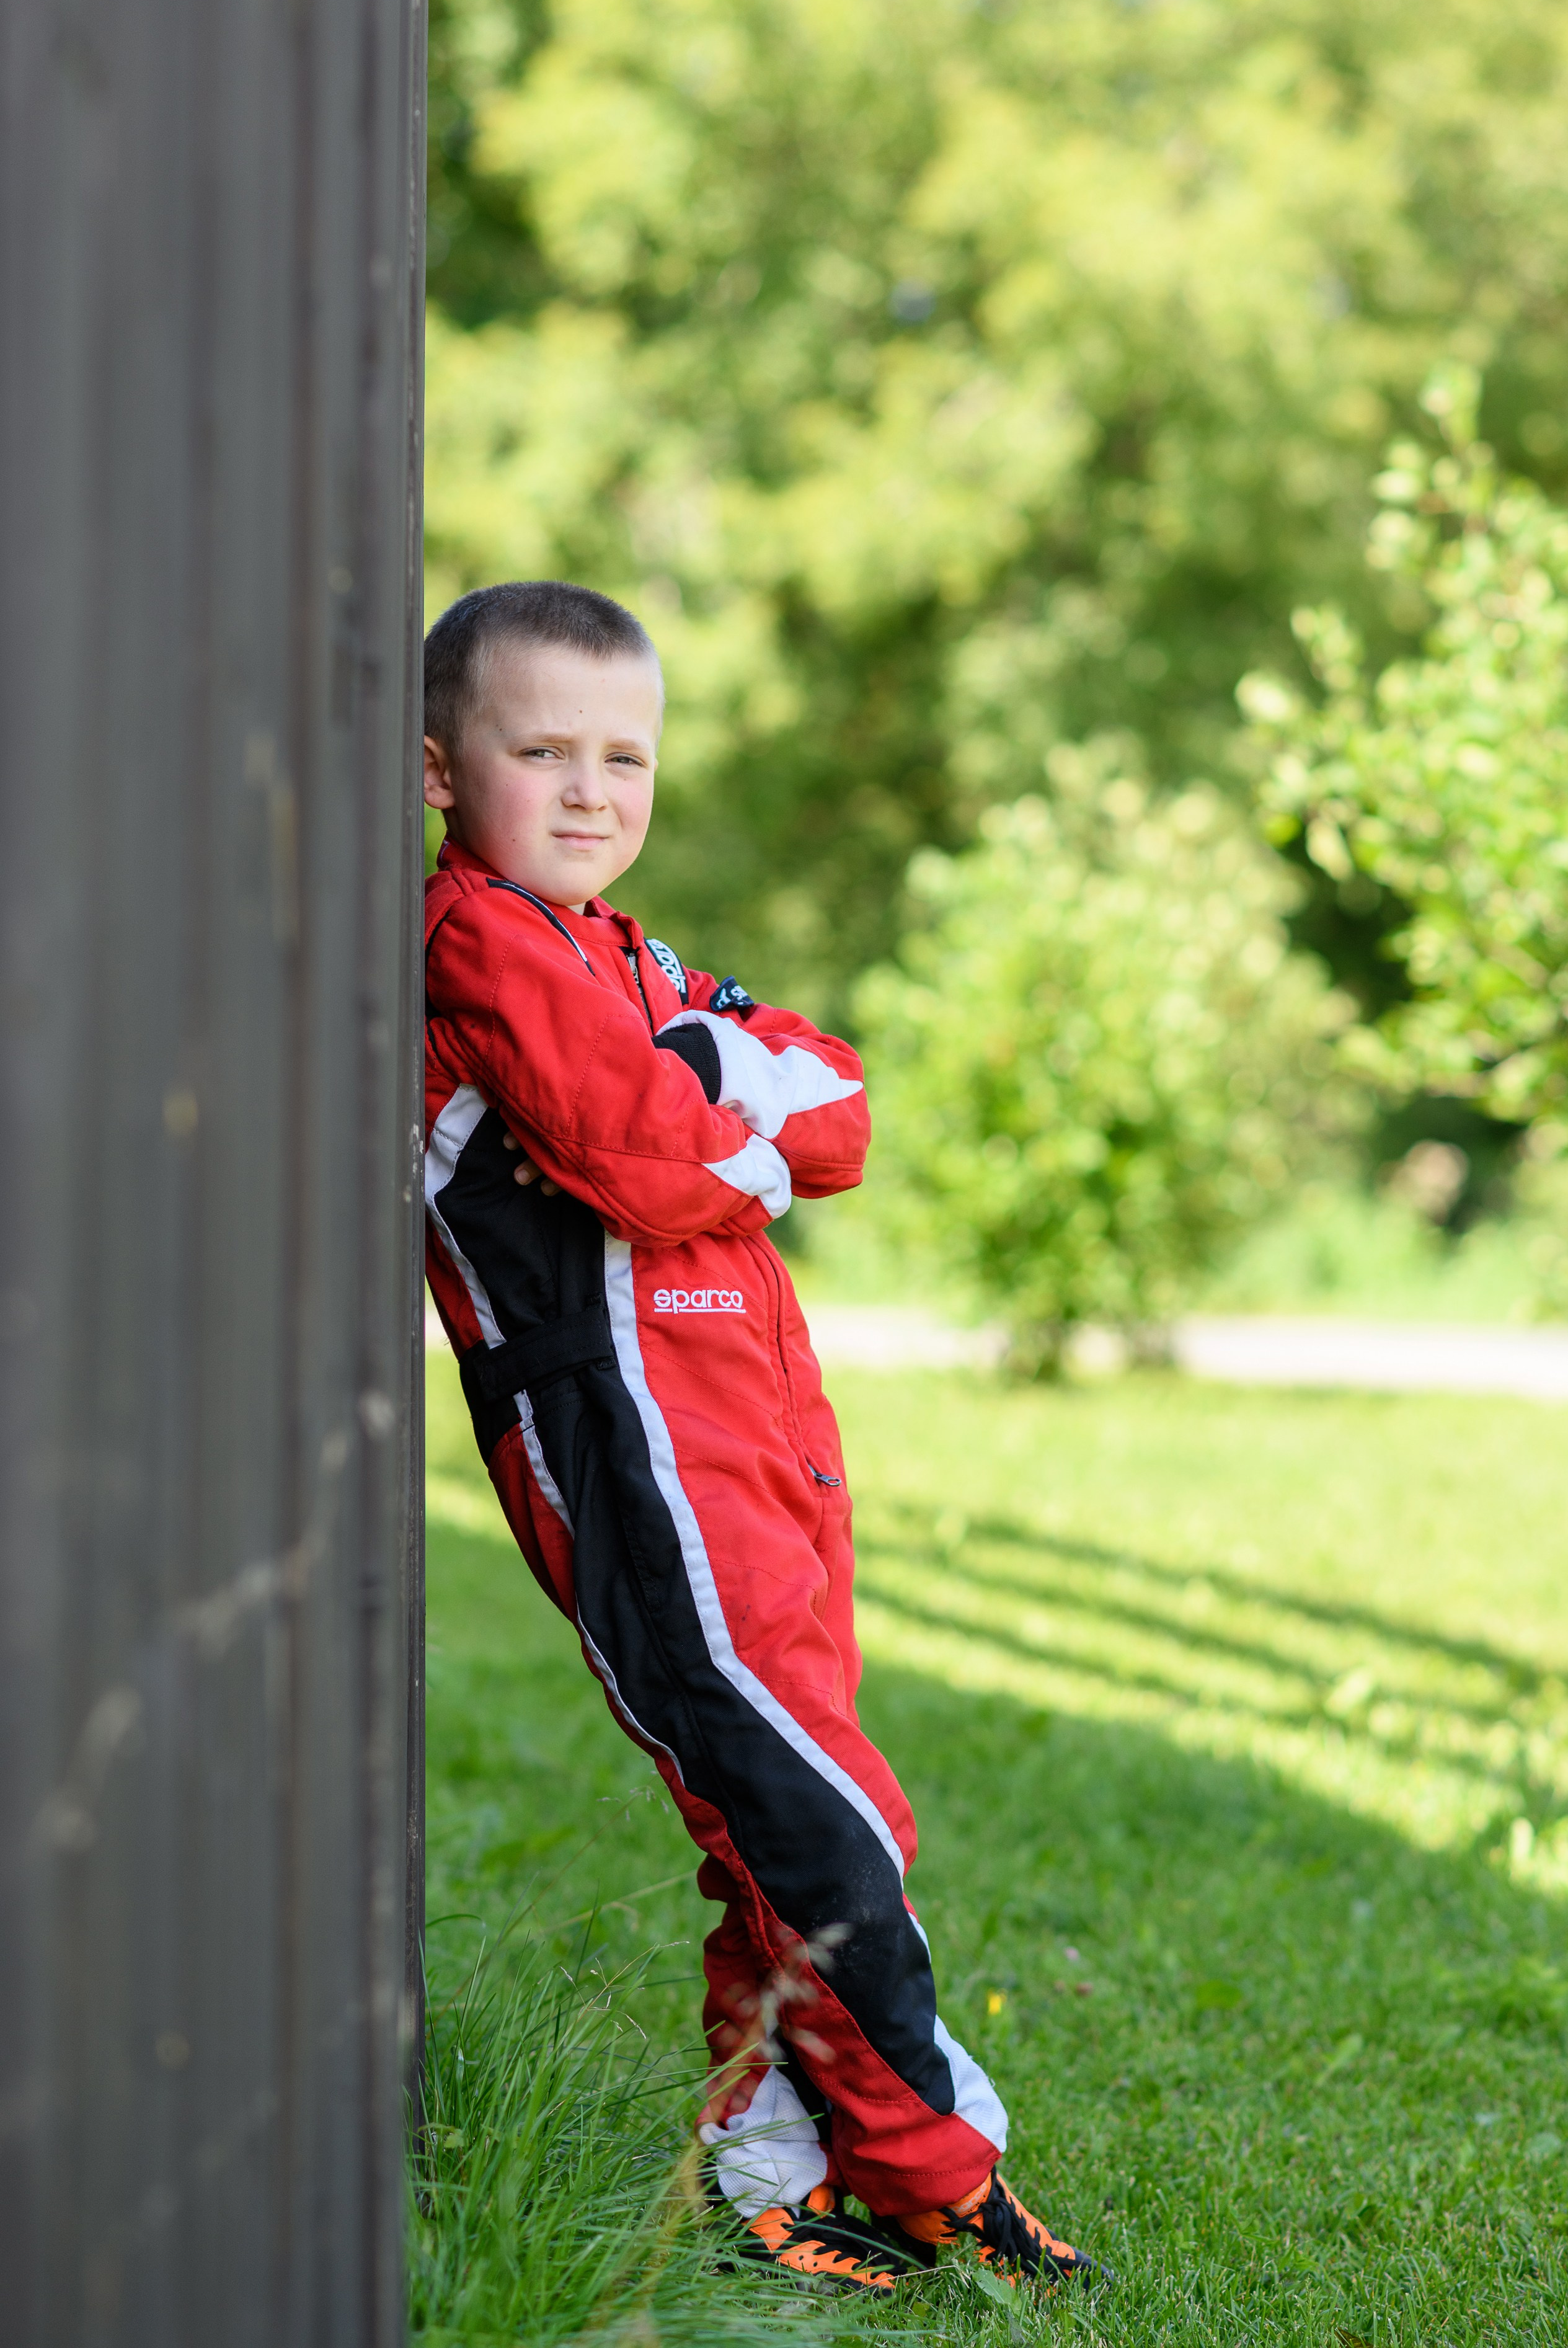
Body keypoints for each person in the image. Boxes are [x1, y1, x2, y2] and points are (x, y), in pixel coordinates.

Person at [421, 580, 1101, 2295]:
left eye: (624, 756)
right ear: (442, 771)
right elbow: (651, 1162)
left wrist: (714, 1090)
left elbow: (836, 1093)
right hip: (629, 1435)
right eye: (542, 751)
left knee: (779, 1807)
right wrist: (732, 1130)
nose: (590, 791)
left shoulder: (634, 958)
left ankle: (771, 2169)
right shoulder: (482, 941)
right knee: (816, 1814)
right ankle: (940, 2176)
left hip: (760, 1429)